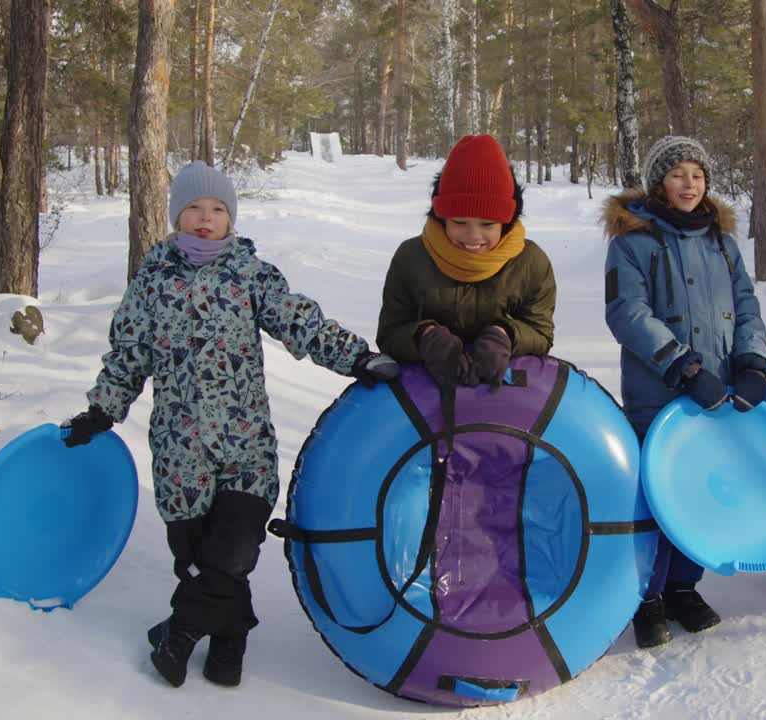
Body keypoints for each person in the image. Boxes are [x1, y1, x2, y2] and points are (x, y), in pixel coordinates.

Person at [60, 161, 398, 689]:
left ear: (231, 219)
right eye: (193, 208)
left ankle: (180, 632)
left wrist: (358, 359)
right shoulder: (150, 285)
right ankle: (229, 644)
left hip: (245, 446)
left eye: (217, 209)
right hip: (179, 452)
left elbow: (299, 321)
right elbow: (128, 358)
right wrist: (101, 411)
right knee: (196, 556)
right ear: (176, 216)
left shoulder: (251, 275)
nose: (205, 218)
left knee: (235, 548)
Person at [602, 136, 766, 648]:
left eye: (697, 175)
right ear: (658, 182)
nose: (689, 184)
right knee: (658, 494)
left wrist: (752, 359)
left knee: (701, 489)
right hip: (662, 390)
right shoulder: (632, 243)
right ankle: (646, 597)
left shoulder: (722, 242)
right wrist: (683, 367)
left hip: (717, 389)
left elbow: (746, 307)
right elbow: (627, 313)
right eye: (678, 175)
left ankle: (683, 587)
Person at [376, 134, 556, 391]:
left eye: (487, 225)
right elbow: (390, 333)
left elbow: (541, 332)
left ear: (506, 222)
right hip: (428, 400)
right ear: (442, 217)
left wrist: (505, 334)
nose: (473, 237)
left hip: (503, 399)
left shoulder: (531, 263)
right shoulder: (411, 257)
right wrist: (425, 337)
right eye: (460, 222)